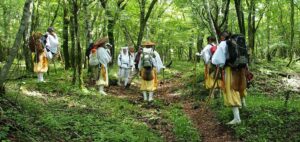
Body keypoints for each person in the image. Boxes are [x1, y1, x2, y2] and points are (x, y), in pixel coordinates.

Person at [211, 31, 247, 125]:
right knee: (240, 86)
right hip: (240, 69)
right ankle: (244, 107)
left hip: (229, 70)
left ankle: (237, 118)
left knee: (231, 90)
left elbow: (216, 60)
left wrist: (220, 64)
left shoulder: (223, 44)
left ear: (222, 37)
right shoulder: (237, 42)